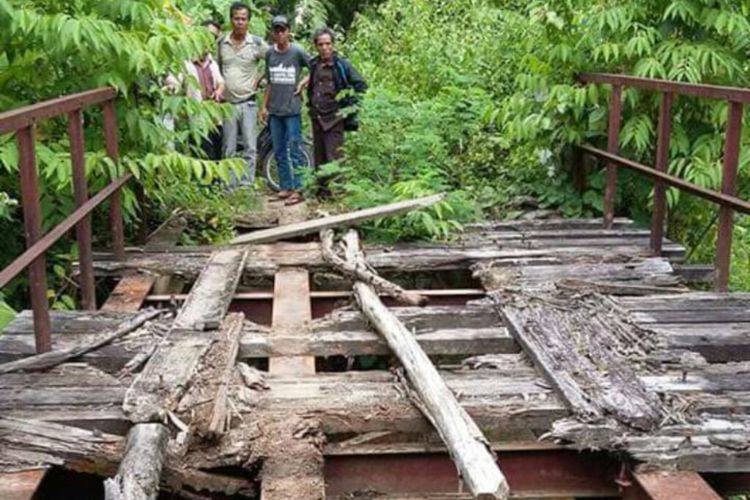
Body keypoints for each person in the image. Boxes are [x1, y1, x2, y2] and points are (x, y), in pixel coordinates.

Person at [307, 27, 367, 192]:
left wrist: (349, 108)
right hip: (317, 117)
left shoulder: (342, 65)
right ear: (316, 46)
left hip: (335, 119)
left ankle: (340, 194)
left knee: (335, 158)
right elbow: (312, 87)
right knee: (319, 158)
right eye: (321, 44)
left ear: (333, 45)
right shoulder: (314, 64)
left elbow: (361, 85)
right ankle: (322, 193)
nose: (325, 48)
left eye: (328, 44)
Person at [260, 15, 310, 206]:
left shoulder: (297, 52)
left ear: (289, 31)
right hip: (275, 111)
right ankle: (285, 187)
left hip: (292, 110)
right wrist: (263, 106)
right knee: (279, 150)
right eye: (276, 30)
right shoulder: (270, 54)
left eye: (283, 30)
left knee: (295, 149)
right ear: (272, 33)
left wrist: (304, 82)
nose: (280, 34)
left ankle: (299, 189)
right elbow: (270, 82)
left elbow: (315, 67)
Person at [217, 2, 268, 186]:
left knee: (250, 147)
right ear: (231, 20)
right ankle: (228, 185)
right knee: (228, 147)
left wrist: (261, 78)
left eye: (243, 19)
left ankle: (246, 184)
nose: (240, 22)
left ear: (248, 22)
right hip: (227, 105)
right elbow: (216, 68)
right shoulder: (221, 42)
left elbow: (274, 59)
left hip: (248, 103)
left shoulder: (256, 43)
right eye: (236, 18)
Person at [164, 21, 225, 160]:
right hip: (196, 118)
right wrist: (169, 84)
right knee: (202, 154)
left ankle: (215, 181)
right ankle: (204, 181)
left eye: (213, 37)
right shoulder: (185, 62)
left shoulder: (212, 62)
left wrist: (219, 91)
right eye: (207, 35)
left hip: (214, 117)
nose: (209, 40)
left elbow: (221, 82)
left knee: (217, 153)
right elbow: (175, 82)